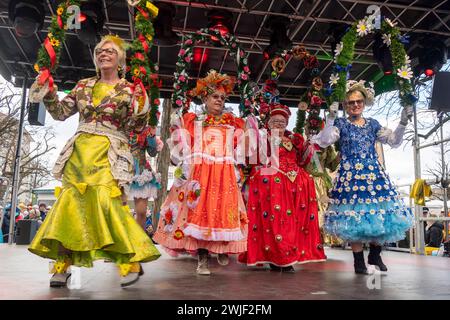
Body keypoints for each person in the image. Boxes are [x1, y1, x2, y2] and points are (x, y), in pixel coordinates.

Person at [28, 34, 161, 288]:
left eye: (110, 51)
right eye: (100, 50)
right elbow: (59, 113)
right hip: (79, 153)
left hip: (110, 154)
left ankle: (128, 263)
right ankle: (62, 267)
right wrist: (48, 90)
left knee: (107, 203)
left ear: (120, 59)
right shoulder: (83, 85)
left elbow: (138, 125)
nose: (103, 54)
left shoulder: (131, 89)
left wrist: (143, 105)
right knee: (70, 206)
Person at [311, 80, 414, 274]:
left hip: (374, 175)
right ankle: (359, 262)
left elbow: (394, 141)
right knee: (353, 219)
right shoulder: (341, 124)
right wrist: (331, 119)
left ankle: (375, 255)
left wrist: (402, 122)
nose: (355, 105)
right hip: (350, 177)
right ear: (345, 105)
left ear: (364, 102)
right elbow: (324, 142)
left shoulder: (373, 124)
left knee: (380, 214)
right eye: (351, 102)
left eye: (358, 101)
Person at [152, 70, 248, 275]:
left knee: (223, 211)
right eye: (215, 96)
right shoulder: (194, 120)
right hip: (201, 172)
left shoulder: (232, 122)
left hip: (224, 174)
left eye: (222, 98)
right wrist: (186, 165)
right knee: (200, 213)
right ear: (205, 98)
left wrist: (236, 167)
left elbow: (239, 146)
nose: (219, 101)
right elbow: (184, 145)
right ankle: (202, 258)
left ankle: (222, 247)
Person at [238, 103, 326, 272]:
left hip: (294, 183)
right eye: (275, 120)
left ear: (287, 123)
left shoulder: (295, 138)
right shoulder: (263, 136)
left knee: (292, 222)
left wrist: (310, 145)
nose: (278, 123)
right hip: (271, 182)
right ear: (269, 122)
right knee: (274, 221)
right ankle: (274, 256)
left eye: (282, 121)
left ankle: (289, 254)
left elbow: (306, 160)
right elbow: (253, 157)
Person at [128, 125, 163, 230]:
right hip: (120, 168)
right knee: (118, 207)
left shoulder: (146, 129)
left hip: (141, 173)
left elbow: (152, 153)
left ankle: (139, 241)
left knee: (142, 211)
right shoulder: (121, 123)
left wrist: (152, 135)